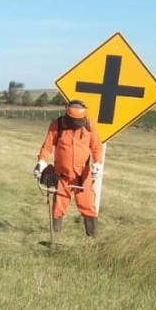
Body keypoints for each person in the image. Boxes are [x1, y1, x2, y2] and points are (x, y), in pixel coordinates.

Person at [33, 100, 103, 237]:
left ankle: (93, 239)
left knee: (88, 206)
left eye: (80, 121)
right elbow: (47, 147)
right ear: (68, 116)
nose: (77, 124)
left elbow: (96, 147)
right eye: (74, 121)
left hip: (83, 176)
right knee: (58, 208)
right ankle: (55, 237)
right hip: (62, 176)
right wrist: (41, 162)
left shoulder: (89, 125)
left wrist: (98, 163)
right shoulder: (56, 125)